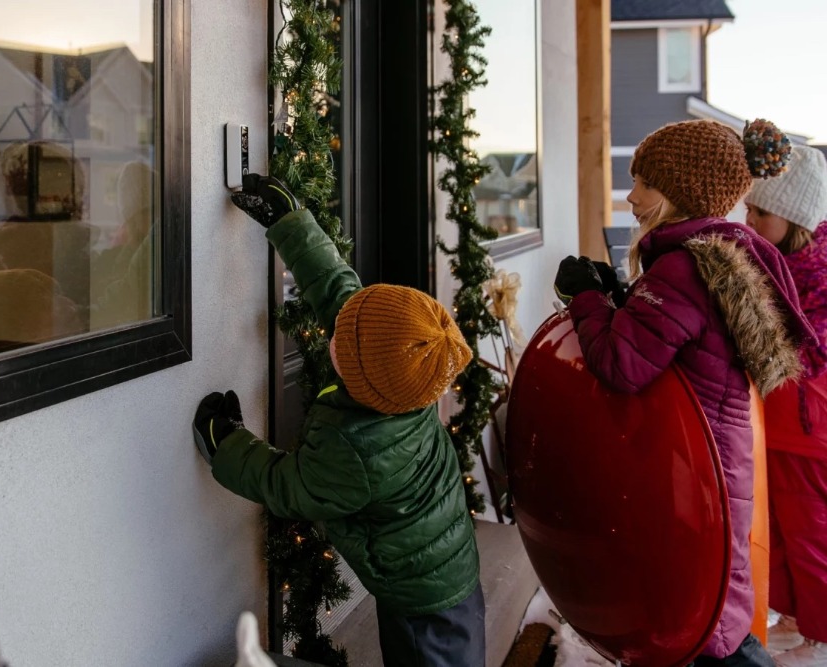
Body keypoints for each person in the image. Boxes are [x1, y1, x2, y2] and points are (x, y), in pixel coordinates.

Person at [553, 119, 821, 667]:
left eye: (645, 181)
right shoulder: (709, 260)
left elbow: (622, 363)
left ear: (680, 191)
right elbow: (663, 341)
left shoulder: (682, 269)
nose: (631, 195)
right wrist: (617, 299)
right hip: (711, 463)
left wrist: (584, 299)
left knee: (704, 621)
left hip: (697, 470)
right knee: (714, 603)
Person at [192, 174, 484, 666]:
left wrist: (228, 446)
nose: (335, 336)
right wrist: (290, 221)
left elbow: (292, 485)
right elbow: (341, 295)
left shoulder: (358, 447)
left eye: (344, 345)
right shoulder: (404, 375)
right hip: (444, 567)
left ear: (366, 380)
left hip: (423, 599)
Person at [743, 144, 827, 667]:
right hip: (780, 423)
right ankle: (799, 618)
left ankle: (822, 636)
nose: (748, 220)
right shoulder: (780, 267)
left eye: (760, 213)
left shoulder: (809, 278)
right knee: (783, 530)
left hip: (807, 428)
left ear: (792, 219)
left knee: (811, 534)